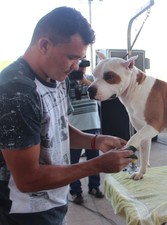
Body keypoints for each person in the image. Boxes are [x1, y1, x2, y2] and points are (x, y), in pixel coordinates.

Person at [0, 7, 133, 225]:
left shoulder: (59, 78)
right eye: (71, 57)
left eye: (79, 59)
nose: (75, 67)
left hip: (56, 204)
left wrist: (95, 140)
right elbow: (27, 179)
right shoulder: (16, 91)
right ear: (44, 45)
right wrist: (97, 165)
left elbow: (59, 127)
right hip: (24, 215)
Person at [68, 60, 103, 204]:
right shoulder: (65, 82)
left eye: (83, 68)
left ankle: (94, 186)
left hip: (92, 125)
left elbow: (100, 93)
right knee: (73, 163)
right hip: (74, 127)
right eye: (79, 67)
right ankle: (76, 192)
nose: (81, 70)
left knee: (94, 160)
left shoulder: (92, 80)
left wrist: (84, 80)